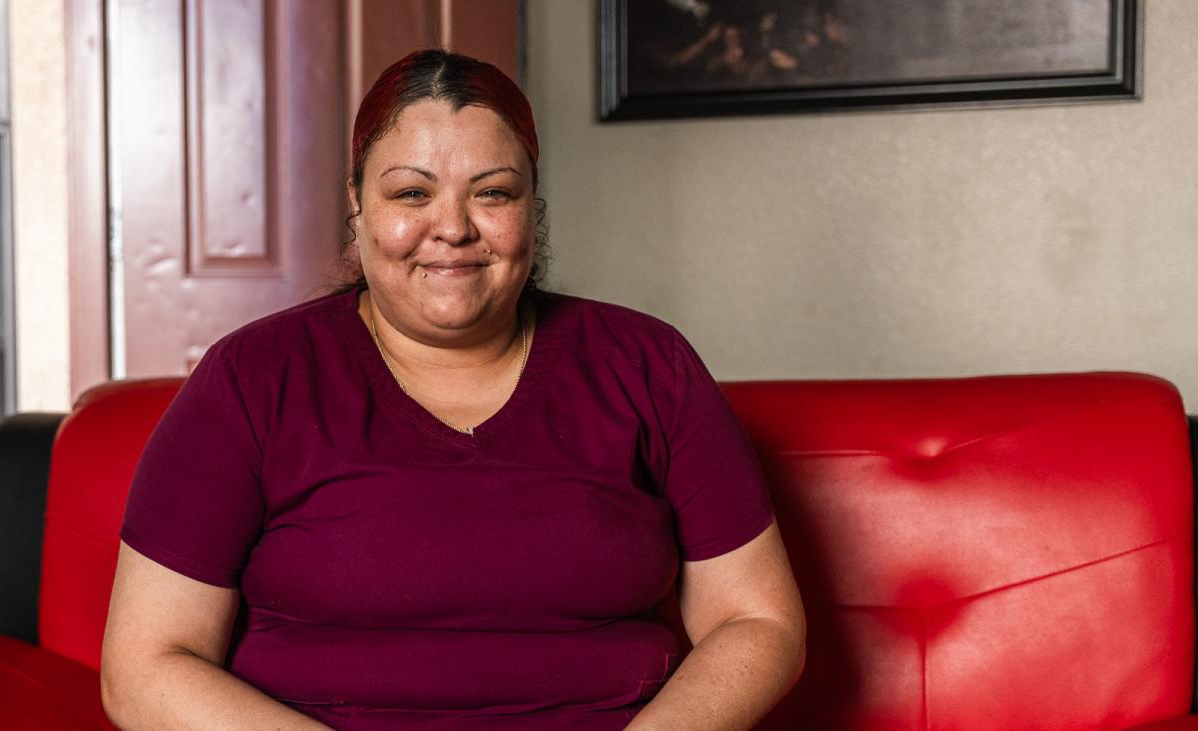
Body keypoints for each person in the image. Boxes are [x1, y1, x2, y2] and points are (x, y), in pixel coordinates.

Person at [100, 49, 805, 730]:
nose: (454, 228)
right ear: (357, 204)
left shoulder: (650, 366)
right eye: (412, 193)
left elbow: (757, 619)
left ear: (532, 206)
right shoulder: (251, 379)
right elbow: (144, 666)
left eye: (493, 193)